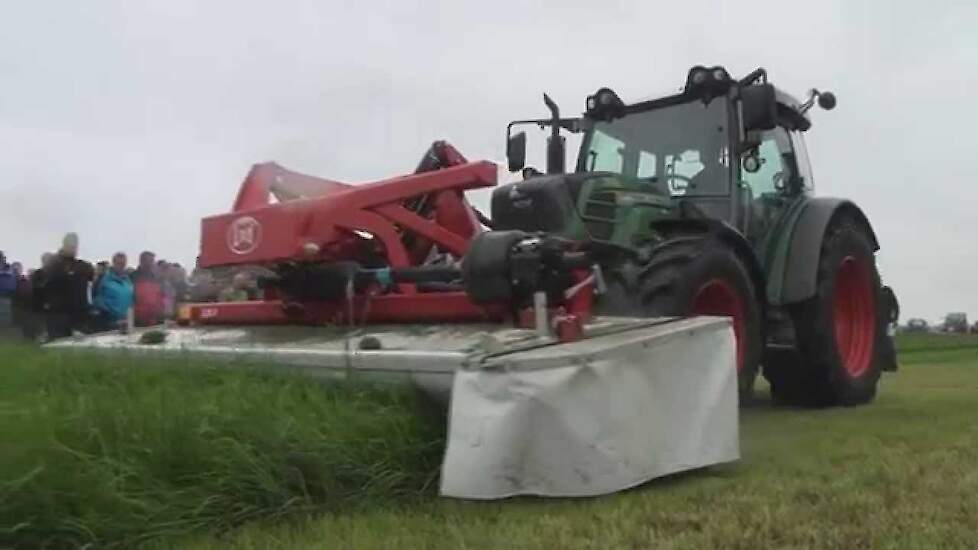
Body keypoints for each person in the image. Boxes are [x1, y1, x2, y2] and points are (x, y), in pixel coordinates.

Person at [44, 233, 95, 339]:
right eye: (71, 246)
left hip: (79, 315)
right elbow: (49, 286)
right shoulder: (54, 264)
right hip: (60, 315)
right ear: (64, 245)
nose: (74, 249)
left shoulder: (82, 266)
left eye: (75, 246)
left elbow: (91, 275)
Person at [92, 252, 134, 331]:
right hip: (111, 322)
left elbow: (131, 298)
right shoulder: (104, 279)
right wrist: (109, 312)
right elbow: (97, 299)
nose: (122, 266)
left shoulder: (128, 280)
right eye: (119, 263)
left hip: (127, 321)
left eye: (123, 264)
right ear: (114, 263)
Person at [131, 251, 164, 326]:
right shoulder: (133, 277)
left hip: (155, 318)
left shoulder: (155, 278)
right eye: (150, 261)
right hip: (139, 320)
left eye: (153, 261)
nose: (152, 263)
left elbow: (159, 297)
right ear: (142, 261)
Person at [0, 252, 16, 334]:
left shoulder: (10, 271)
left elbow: (12, 285)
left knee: (5, 319)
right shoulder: (10, 271)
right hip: (7, 298)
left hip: (7, 298)